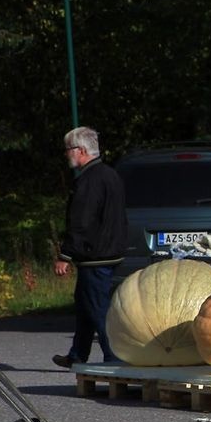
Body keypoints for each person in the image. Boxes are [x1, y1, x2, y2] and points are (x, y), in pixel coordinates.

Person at [53, 126, 129, 368]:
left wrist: (65, 254)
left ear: (81, 150)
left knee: (97, 307)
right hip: (108, 250)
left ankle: (114, 357)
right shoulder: (110, 174)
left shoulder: (89, 181)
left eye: (69, 149)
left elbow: (82, 222)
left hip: (95, 253)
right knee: (85, 303)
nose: (66, 154)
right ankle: (78, 353)